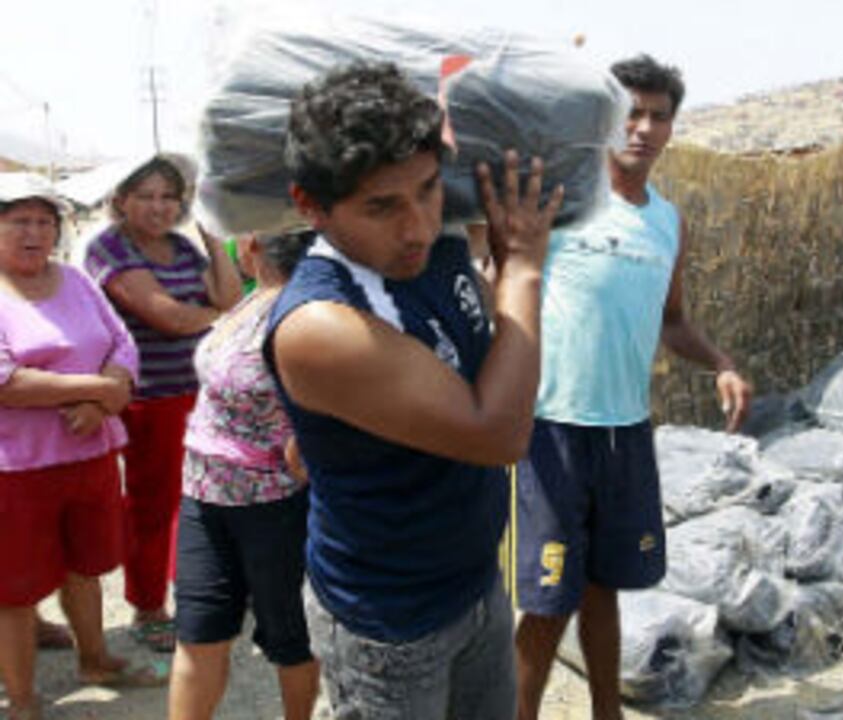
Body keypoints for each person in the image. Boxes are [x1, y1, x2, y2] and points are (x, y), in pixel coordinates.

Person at [265, 62, 561, 719]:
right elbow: (497, 433)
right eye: (382, 206)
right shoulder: (322, 323)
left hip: (475, 582)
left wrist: (500, 269)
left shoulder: (440, 247)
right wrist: (525, 271)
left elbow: (479, 347)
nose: (418, 227)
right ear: (310, 204)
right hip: (390, 622)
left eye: (428, 191)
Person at [514, 54, 753, 720]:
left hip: (625, 430)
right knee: (547, 598)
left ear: (673, 127)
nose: (643, 127)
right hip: (550, 427)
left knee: (605, 587)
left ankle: (606, 713)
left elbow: (672, 322)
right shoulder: (559, 201)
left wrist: (722, 362)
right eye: (630, 112)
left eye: (658, 115)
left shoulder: (667, 223)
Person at [0, 175, 165, 720]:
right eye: (19, 220)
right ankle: (23, 699)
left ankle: (95, 660)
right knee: (16, 590)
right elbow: (5, 381)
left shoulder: (74, 279)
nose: (34, 232)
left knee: (86, 566)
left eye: (44, 221)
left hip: (89, 454)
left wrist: (102, 404)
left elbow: (121, 340)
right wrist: (96, 388)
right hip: (16, 467)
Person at [82, 155, 242, 652]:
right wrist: (216, 314)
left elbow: (231, 292)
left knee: (201, 501)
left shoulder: (182, 246)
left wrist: (213, 237)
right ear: (121, 200)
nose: (159, 206)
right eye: (146, 196)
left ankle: (197, 589)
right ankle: (148, 605)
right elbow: (168, 317)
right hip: (148, 398)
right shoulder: (108, 247)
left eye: (169, 197)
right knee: (153, 505)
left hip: (197, 392)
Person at [168, 230, 319, 720]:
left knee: (289, 639)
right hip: (205, 495)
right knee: (198, 632)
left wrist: (302, 453)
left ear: (253, 245)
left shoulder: (305, 314)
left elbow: (320, 416)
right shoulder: (251, 303)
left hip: (274, 504)